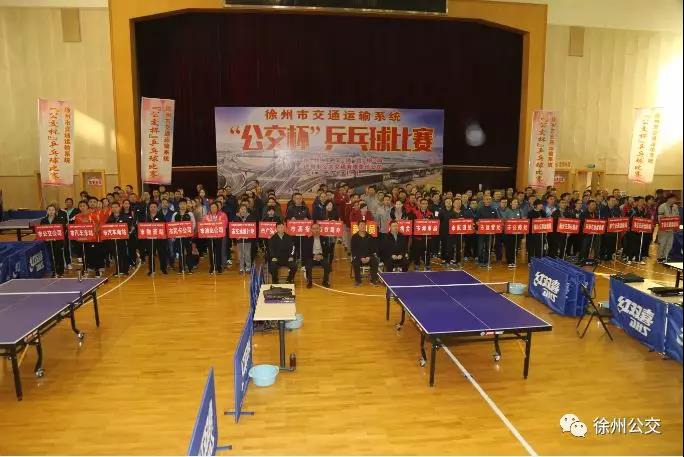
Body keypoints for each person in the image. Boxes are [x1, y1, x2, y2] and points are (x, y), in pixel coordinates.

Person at [301, 223, 331, 288]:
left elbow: (328, 250)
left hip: (321, 257)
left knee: (327, 265)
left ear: (320, 229)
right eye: (314, 229)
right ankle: (309, 282)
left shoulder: (324, 239)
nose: (316, 230)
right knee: (308, 265)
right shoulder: (308, 239)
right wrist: (313, 256)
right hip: (312, 257)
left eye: (317, 228)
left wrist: (322, 255)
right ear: (311, 230)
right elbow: (306, 252)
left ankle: (325, 281)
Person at [40, 204, 67, 278]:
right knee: (51, 257)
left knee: (59, 256)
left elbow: (62, 230)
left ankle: (60, 272)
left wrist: (57, 237)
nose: (51, 211)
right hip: (48, 242)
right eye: (49, 210)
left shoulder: (60, 219)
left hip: (58, 242)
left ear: (55, 211)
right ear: (47, 211)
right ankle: (54, 271)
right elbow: (41, 231)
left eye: (53, 210)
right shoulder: (43, 220)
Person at [351, 220, 379, 286]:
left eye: (364, 225)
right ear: (358, 227)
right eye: (361, 225)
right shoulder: (354, 237)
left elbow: (373, 249)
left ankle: (373, 280)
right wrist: (361, 257)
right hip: (359, 257)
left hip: (369, 257)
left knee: (375, 261)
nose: (362, 226)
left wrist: (368, 257)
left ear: (366, 226)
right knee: (355, 262)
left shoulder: (370, 236)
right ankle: (358, 281)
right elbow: (353, 250)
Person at [106, 201, 130, 276]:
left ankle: (125, 270)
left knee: (124, 255)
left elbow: (128, 227)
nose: (114, 209)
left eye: (116, 207)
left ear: (119, 208)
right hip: (113, 241)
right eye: (113, 207)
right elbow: (107, 229)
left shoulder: (124, 217)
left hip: (122, 240)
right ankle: (118, 270)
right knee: (116, 255)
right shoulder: (110, 218)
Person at [172, 198, 196, 274]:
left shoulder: (190, 214)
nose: (182, 205)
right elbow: (172, 224)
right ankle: (181, 268)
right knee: (180, 252)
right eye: (181, 204)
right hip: (178, 237)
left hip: (187, 237)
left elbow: (193, 224)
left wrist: (188, 232)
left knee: (189, 252)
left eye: (184, 204)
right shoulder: (175, 214)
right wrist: (175, 235)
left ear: (186, 205)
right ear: (179, 205)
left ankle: (190, 268)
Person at [411, 198, 436, 270]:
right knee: (417, 251)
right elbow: (413, 224)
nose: (424, 205)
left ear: (427, 205)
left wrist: (429, 222)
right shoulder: (415, 213)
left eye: (426, 204)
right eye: (423, 204)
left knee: (427, 251)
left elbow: (434, 224)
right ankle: (417, 264)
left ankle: (427, 264)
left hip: (428, 236)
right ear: (420, 204)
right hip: (418, 237)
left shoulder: (431, 214)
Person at [203, 202, 228, 274]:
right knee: (211, 252)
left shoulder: (222, 215)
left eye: (214, 207)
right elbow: (203, 225)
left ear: (217, 208)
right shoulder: (206, 216)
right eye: (211, 207)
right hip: (209, 237)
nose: (213, 209)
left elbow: (225, 224)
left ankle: (219, 267)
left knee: (218, 251)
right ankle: (212, 266)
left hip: (219, 236)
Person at [145, 201, 168, 276]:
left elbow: (165, 226)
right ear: (149, 208)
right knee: (151, 254)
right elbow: (143, 227)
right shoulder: (147, 216)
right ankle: (152, 270)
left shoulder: (161, 215)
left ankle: (163, 269)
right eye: (151, 207)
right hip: (150, 239)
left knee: (162, 253)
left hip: (160, 238)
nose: (153, 208)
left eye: (154, 207)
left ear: (157, 208)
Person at [233, 204, 257, 274]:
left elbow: (253, 228)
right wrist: (236, 236)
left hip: (248, 239)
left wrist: (248, 235)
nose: (243, 210)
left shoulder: (250, 217)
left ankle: (248, 267)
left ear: (246, 210)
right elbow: (233, 228)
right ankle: (241, 268)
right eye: (241, 209)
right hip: (239, 239)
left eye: (244, 209)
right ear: (239, 210)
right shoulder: (236, 218)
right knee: (240, 254)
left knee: (247, 254)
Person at [475, 195, 498, 267]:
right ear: (483, 200)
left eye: (489, 199)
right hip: (481, 232)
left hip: (490, 232)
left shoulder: (494, 210)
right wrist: (477, 223)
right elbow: (476, 220)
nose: (488, 200)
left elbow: (497, 220)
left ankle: (487, 261)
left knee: (489, 247)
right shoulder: (480, 209)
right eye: (486, 199)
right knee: (480, 247)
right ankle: (480, 261)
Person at [657, 193, 679, 262]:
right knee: (662, 243)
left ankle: (665, 256)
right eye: (673, 199)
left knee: (669, 243)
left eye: (675, 199)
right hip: (663, 228)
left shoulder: (675, 206)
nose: (674, 200)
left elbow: (677, 217)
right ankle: (660, 257)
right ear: (668, 199)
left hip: (672, 228)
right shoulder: (662, 206)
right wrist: (667, 220)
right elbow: (659, 218)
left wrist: (676, 225)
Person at [501, 198, 523, 267]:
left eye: (517, 202)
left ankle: (514, 260)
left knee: (516, 246)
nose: (516, 203)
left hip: (517, 232)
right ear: (510, 203)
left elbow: (522, 220)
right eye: (514, 202)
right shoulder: (507, 211)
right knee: (509, 246)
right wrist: (511, 220)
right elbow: (504, 220)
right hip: (509, 232)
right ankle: (509, 261)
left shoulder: (519, 210)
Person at [600, 195, 622, 260]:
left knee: (613, 244)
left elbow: (620, 217)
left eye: (614, 201)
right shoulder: (603, 209)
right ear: (608, 201)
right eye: (612, 201)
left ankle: (611, 256)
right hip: (606, 230)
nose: (613, 202)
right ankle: (604, 256)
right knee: (606, 244)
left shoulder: (617, 209)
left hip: (615, 230)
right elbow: (602, 219)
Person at [438, 197, 457, 265]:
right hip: (443, 231)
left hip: (451, 232)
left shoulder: (454, 212)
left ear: (452, 203)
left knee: (450, 246)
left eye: (450, 202)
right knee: (444, 245)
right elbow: (439, 221)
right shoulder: (441, 212)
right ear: (445, 203)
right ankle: (443, 258)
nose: (449, 203)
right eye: (447, 202)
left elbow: (455, 222)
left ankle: (450, 259)